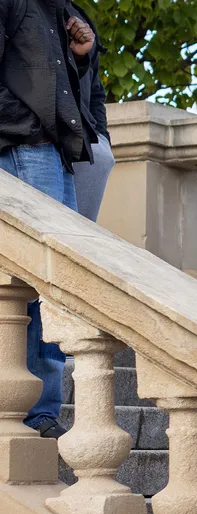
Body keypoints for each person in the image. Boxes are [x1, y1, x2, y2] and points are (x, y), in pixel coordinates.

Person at [1, 0, 99, 439]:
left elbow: (72, 94)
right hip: (25, 148)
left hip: (56, 153)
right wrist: (27, 122)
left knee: (56, 287)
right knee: (39, 284)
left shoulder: (63, 10)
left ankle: (43, 408)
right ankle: (36, 409)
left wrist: (82, 57)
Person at [69, 1, 112, 222]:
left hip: (86, 144)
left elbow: (96, 93)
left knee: (78, 241)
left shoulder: (82, 19)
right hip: (47, 140)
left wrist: (103, 140)